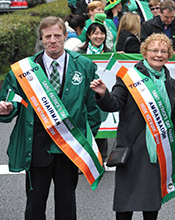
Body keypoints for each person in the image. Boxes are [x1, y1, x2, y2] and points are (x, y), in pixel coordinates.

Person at [0, 16, 103, 220]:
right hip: (37, 147)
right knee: (35, 206)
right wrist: (6, 109)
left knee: (66, 205)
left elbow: (93, 109)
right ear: (42, 38)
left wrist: (82, 139)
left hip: (69, 148)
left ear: (66, 36)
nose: (53, 40)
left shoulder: (84, 66)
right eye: (48, 36)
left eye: (57, 35)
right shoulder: (24, 70)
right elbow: (9, 100)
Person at [90, 33, 175, 220]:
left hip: (157, 150)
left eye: (163, 51)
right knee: (125, 204)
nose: (158, 55)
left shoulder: (170, 82)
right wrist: (103, 94)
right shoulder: (129, 78)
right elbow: (114, 104)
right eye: (154, 50)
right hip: (132, 148)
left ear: (168, 55)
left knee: (152, 204)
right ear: (144, 52)